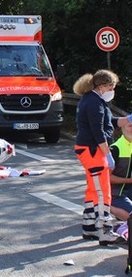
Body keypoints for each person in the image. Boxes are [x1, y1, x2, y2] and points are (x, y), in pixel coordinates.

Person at [73, 69, 132, 245]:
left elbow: (109, 122)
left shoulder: (93, 100)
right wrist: (108, 155)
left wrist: (127, 119)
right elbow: (98, 132)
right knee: (102, 192)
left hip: (89, 149)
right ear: (102, 86)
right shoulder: (94, 103)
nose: (112, 91)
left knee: (94, 190)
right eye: (111, 88)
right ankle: (103, 231)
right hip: (93, 150)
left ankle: (90, 228)